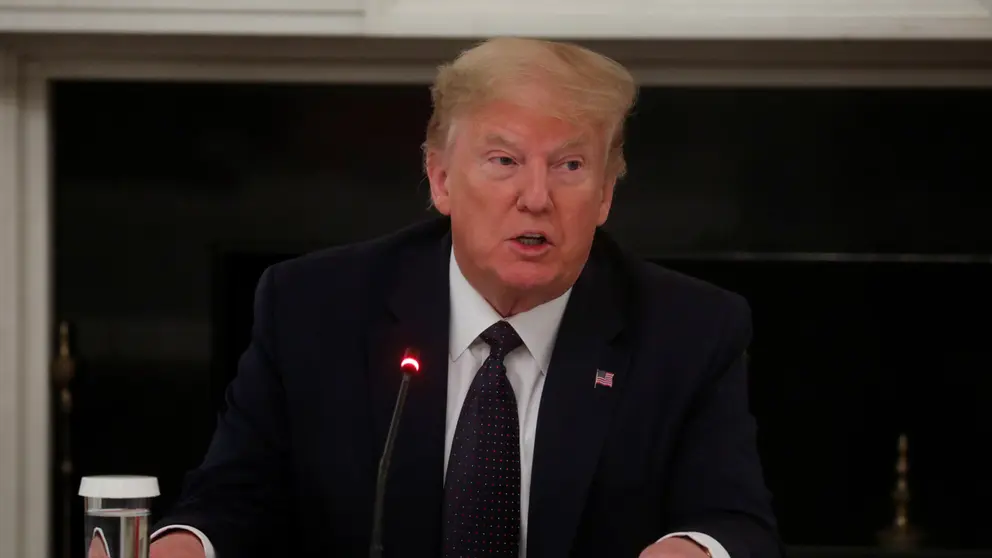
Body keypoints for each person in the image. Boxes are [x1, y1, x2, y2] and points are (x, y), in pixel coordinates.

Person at [147, 37, 781, 558]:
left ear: (607, 194)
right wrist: (183, 545)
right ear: (441, 178)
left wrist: (696, 550)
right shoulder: (315, 306)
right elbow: (236, 498)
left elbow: (736, 524)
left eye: (570, 166)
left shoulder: (690, 330)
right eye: (504, 160)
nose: (537, 197)